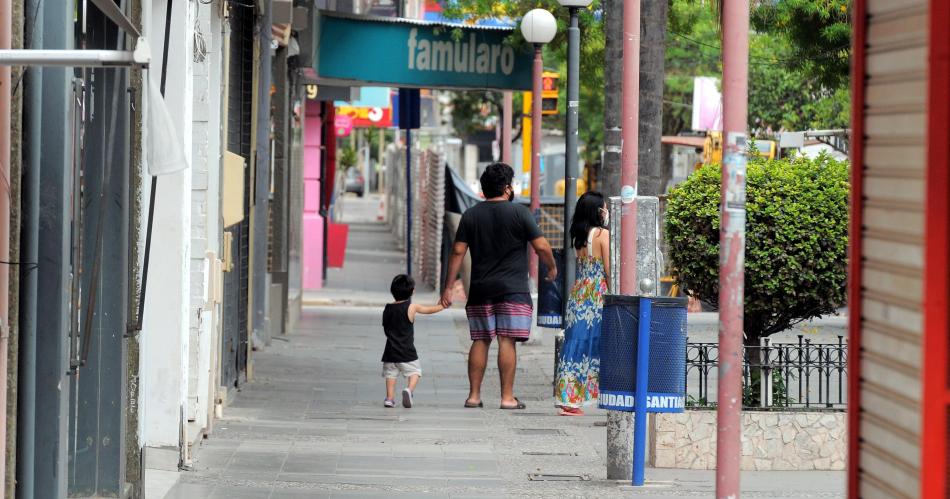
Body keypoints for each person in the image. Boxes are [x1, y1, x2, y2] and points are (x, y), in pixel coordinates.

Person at [441, 162, 557, 410]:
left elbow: (458, 251)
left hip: (481, 289)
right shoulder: (520, 214)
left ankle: (474, 396)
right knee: (507, 341)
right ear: (506, 188)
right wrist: (552, 266)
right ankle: (507, 398)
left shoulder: (471, 215)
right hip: (512, 290)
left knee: (480, 339)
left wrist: (448, 287)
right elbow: (542, 247)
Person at [555, 191, 610, 416]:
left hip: (579, 293)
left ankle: (568, 397)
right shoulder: (602, 235)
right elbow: (608, 268)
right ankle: (588, 393)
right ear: (598, 211)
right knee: (596, 343)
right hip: (597, 293)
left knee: (574, 343)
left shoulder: (579, 236)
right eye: (604, 208)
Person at [382, 274, 444, 408]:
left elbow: (385, 327)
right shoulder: (411, 307)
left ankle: (389, 398)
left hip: (390, 352)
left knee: (390, 375)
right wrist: (442, 306)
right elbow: (428, 310)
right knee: (415, 372)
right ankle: (409, 390)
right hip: (406, 351)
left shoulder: (387, 308)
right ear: (412, 291)